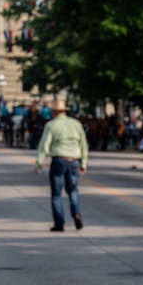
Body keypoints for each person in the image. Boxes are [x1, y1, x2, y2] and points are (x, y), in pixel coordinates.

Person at [34, 99, 88, 231]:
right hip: (74, 160)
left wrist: (39, 162)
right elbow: (83, 145)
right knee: (73, 190)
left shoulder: (51, 125)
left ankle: (59, 223)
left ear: (54, 112)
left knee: (57, 193)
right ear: (64, 111)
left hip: (59, 160)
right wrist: (83, 162)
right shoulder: (76, 124)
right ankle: (76, 213)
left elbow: (44, 145)